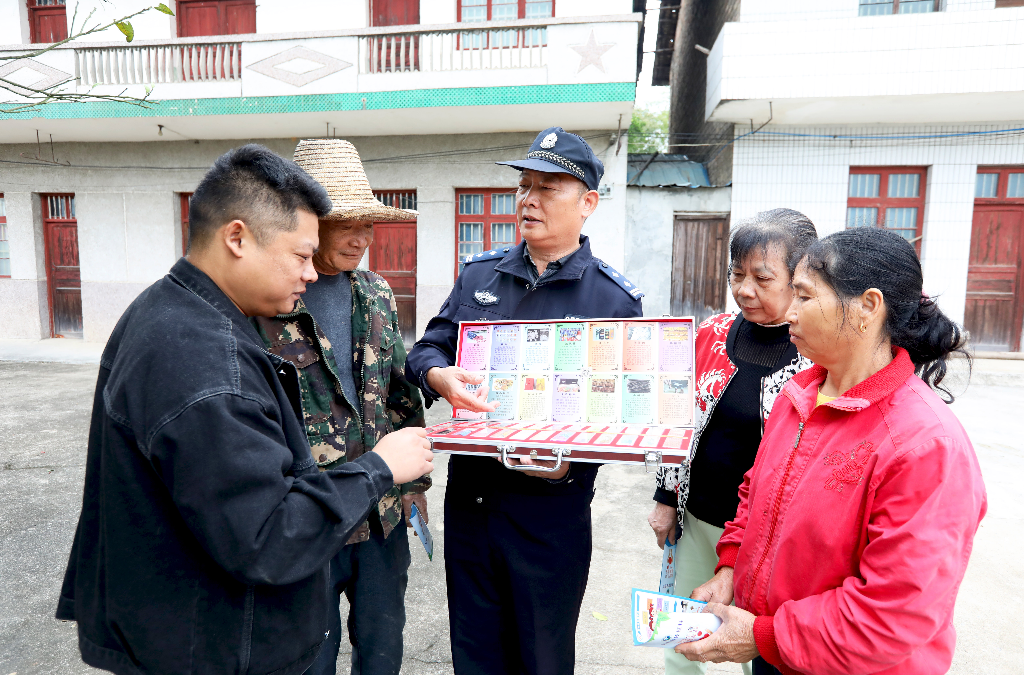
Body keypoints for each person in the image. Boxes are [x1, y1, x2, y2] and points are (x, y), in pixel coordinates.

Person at [55, 144, 434, 675]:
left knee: (380, 641)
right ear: (237, 238)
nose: (309, 273)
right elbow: (267, 537)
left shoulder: (176, 311)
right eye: (301, 254)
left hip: (221, 601)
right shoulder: (209, 357)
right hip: (215, 629)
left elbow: (395, 387)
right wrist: (379, 468)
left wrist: (404, 479)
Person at [674, 227, 987, 675]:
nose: (790, 312)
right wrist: (730, 570)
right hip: (779, 651)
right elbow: (755, 495)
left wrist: (762, 636)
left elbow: (892, 616)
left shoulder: (926, 446)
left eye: (804, 296)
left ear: (868, 306)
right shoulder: (799, 395)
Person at [405, 127, 643, 675]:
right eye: (524, 186)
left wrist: (569, 467)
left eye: (548, 188)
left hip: (550, 513)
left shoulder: (613, 300)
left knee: (543, 656)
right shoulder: (480, 275)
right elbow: (428, 348)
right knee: (475, 651)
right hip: (473, 503)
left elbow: (626, 414)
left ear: (587, 204)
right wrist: (439, 376)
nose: (528, 199)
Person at [251, 139, 429, 675]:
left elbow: (401, 391)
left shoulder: (376, 292)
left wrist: (415, 487)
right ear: (307, 225)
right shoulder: (265, 302)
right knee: (309, 657)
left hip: (381, 513)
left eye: (367, 224)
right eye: (345, 224)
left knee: (382, 647)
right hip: (310, 519)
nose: (361, 238)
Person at [648, 209, 817, 675]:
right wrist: (665, 498)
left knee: (755, 646)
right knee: (680, 636)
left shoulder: (816, 354)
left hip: (769, 536)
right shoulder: (711, 334)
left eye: (762, 278)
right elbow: (677, 420)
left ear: (800, 277)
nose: (744, 289)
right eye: (736, 274)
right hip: (697, 517)